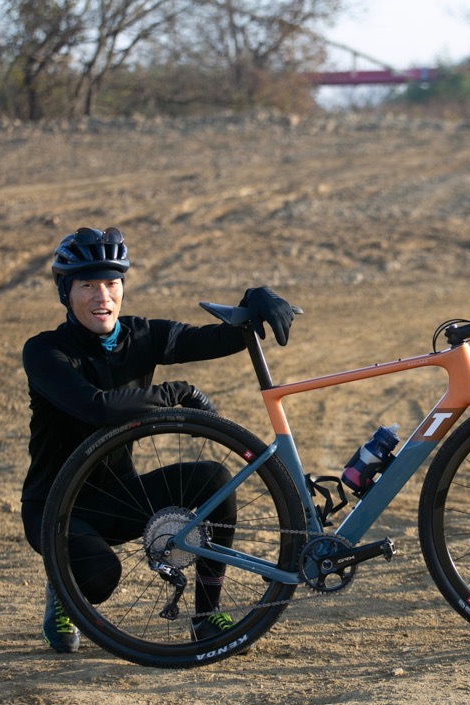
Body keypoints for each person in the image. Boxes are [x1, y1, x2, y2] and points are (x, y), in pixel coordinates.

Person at [21, 226, 295, 652]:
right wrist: (176, 394)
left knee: (215, 478)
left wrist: (252, 304)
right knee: (99, 578)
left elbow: (215, 339)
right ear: (66, 293)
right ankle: (63, 584)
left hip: (121, 498)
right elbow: (98, 406)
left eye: (112, 284)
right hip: (55, 509)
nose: (102, 297)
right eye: (88, 286)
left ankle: (206, 617)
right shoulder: (45, 351)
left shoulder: (140, 335)